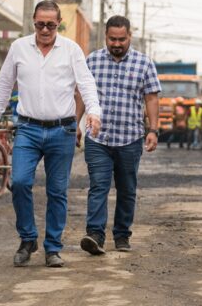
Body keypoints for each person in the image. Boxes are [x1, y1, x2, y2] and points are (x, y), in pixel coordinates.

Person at [0, 0, 102, 268]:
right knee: (20, 182)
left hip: (62, 130)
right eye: (41, 24)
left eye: (51, 24)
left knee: (57, 191)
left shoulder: (71, 50)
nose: (46, 29)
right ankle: (28, 238)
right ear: (34, 22)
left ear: (59, 23)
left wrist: (93, 112)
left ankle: (52, 248)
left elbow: (86, 84)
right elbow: (4, 84)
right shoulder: (19, 48)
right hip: (27, 128)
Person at [78, 15, 161, 256]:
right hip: (98, 137)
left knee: (126, 189)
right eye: (112, 39)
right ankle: (95, 234)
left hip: (130, 138)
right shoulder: (92, 61)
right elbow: (81, 94)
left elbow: (151, 98)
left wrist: (153, 130)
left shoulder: (144, 63)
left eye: (121, 39)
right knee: (98, 186)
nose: (117, 44)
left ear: (129, 37)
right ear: (105, 37)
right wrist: (76, 125)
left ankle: (122, 234)